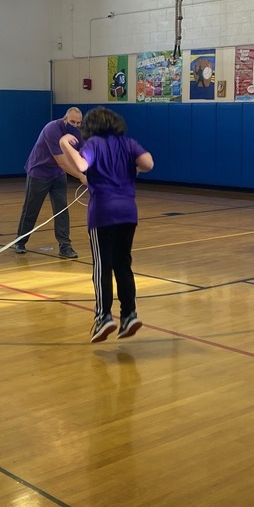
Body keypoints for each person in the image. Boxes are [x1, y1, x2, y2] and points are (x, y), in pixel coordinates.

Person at [59, 106, 153, 343]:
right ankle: (129, 314)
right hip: (128, 212)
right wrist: (133, 169)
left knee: (103, 266)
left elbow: (81, 166)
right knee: (123, 264)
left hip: (103, 213)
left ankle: (103, 317)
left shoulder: (93, 144)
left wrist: (64, 144)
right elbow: (148, 164)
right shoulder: (129, 143)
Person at [14, 107, 85, 258]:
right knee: (31, 209)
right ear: (65, 119)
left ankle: (65, 246)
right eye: (72, 122)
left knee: (61, 210)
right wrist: (81, 176)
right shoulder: (52, 129)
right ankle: (20, 241)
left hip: (58, 175)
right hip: (39, 173)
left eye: (78, 123)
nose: (75, 125)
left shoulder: (78, 133)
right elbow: (62, 161)